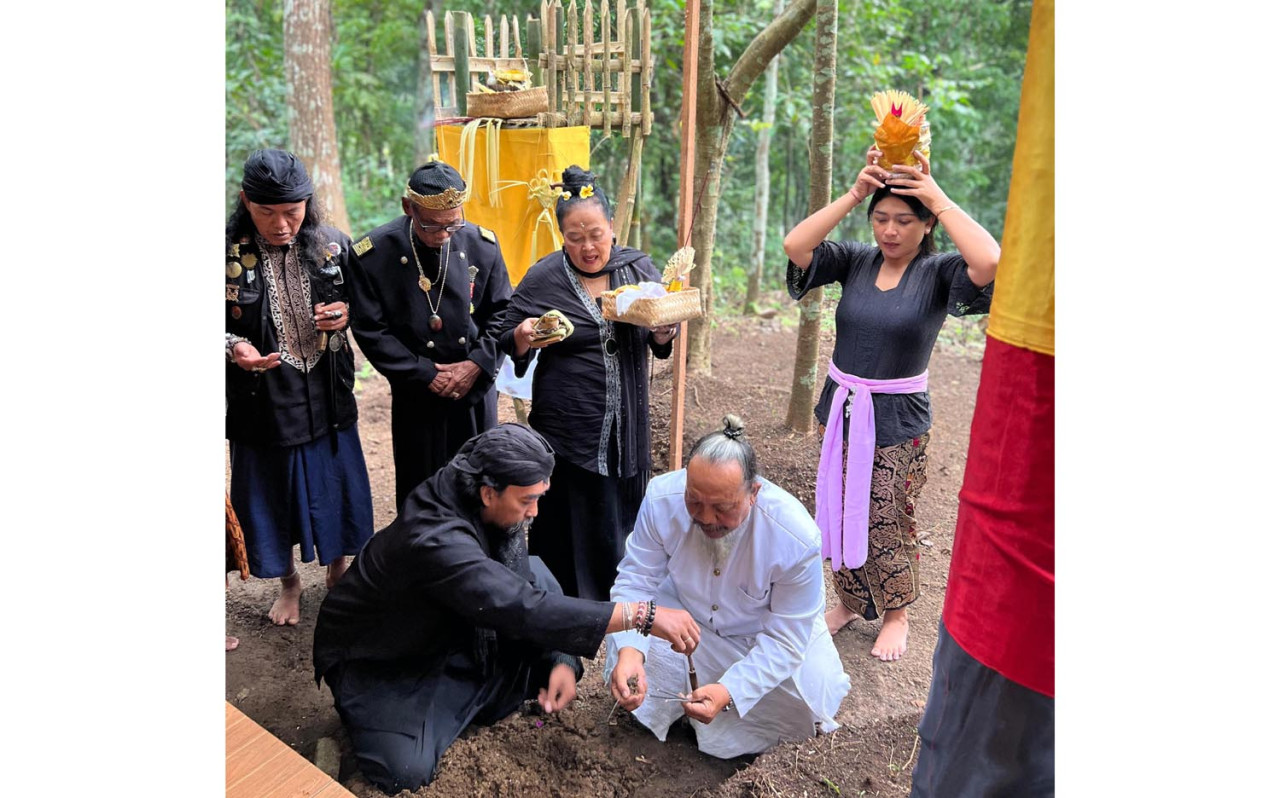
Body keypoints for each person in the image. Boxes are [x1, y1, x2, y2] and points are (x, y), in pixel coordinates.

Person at [312, 424, 702, 794]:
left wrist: (561, 658)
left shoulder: (489, 491)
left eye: (538, 498)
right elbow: (518, 606)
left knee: (538, 577)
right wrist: (641, 615)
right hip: (386, 659)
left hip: (458, 623)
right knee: (403, 770)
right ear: (488, 493)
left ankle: (484, 689)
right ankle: (409, 712)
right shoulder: (434, 538)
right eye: (527, 501)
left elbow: (523, 586)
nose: (533, 513)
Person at [782, 146, 1000, 662]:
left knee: (886, 513)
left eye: (905, 220)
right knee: (837, 507)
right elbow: (795, 244)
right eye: (881, 218)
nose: (890, 230)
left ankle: (898, 612)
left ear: (927, 226)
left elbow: (989, 260)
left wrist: (938, 196)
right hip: (841, 409)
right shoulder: (856, 260)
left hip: (898, 418)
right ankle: (853, 602)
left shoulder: (941, 272)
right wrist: (856, 191)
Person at [604, 416, 851, 759]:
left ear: (753, 493)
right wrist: (631, 651)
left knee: (805, 704)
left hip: (759, 638)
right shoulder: (662, 498)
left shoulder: (795, 536)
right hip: (683, 624)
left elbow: (785, 638)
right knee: (627, 647)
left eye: (722, 508)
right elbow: (637, 580)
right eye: (694, 501)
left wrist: (729, 690)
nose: (706, 518)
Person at [496, 165, 678, 601]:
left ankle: (624, 595)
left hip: (627, 421)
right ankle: (566, 599)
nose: (588, 246)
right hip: (569, 424)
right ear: (562, 236)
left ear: (612, 227)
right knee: (571, 513)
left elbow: (661, 335)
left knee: (622, 509)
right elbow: (505, 332)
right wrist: (524, 335)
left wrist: (663, 332)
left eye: (596, 233)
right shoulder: (545, 277)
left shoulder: (637, 269)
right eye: (575, 237)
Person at [225, 148, 375, 626]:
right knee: (273, 495)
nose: (282, 224)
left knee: (336, 486)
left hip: (328, 394)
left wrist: (346, 315)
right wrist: (232, 347)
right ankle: (289, 583)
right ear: (246, 202)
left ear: (308, 202)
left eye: (292, 212)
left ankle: (339, 569)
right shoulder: (221, 254)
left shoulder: (333, 245)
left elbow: (368, 309)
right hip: (262, 399)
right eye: (267, 212)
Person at [347, 158, 513, 510]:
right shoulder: (373, 254)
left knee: (478, 484)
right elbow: (370, 330)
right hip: (416, 390)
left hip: (474, 387)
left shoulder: (483, 244)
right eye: (432, 227)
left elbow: (502, 313)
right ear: (408, 208)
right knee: (420, 484)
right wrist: (423, 373)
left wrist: (476, 364)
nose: (443, 236)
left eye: (453, 226)